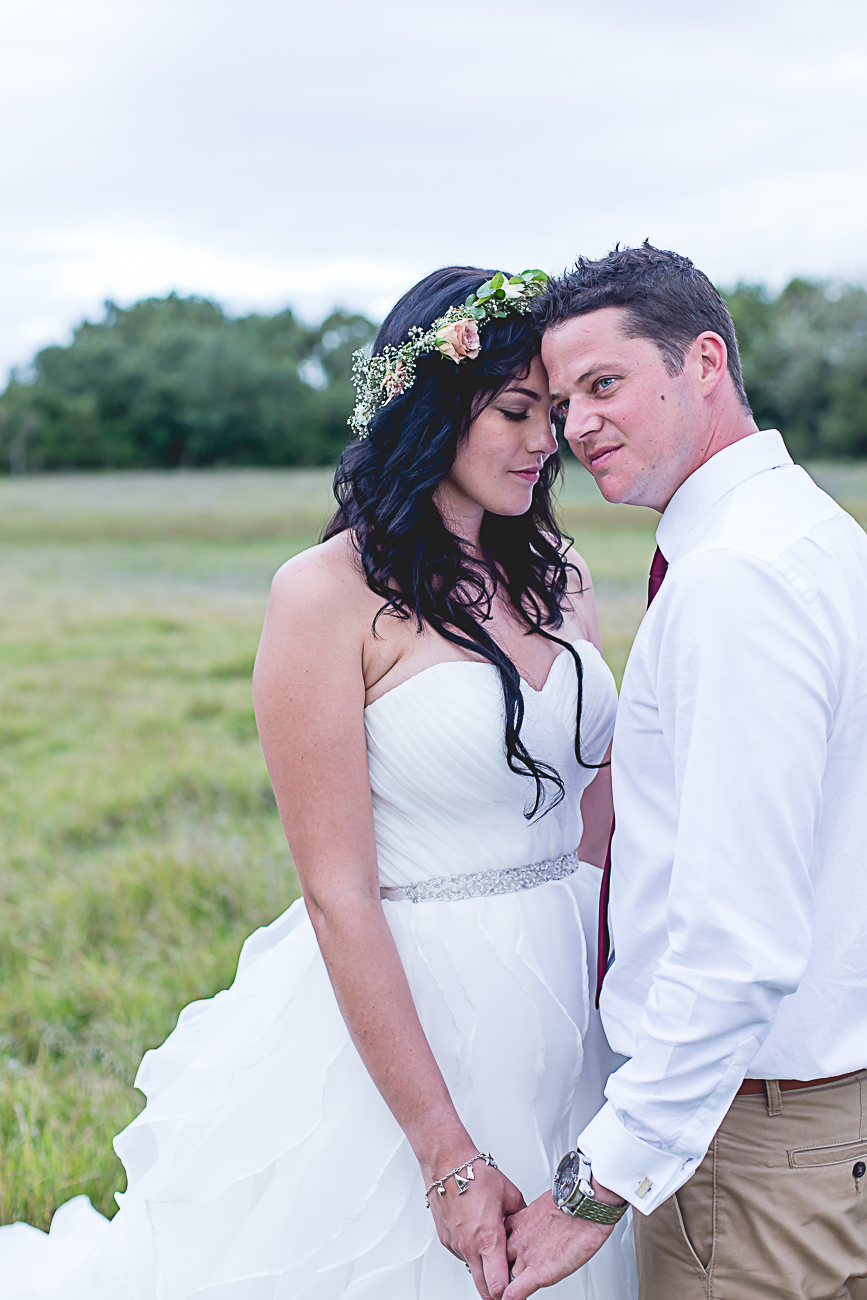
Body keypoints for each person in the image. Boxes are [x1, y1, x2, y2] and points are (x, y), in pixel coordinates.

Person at [0, 266, 636, 1300]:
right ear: (432, 409)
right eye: (517, 411)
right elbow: (336, 892)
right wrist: (446, 1153)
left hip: (574, 992)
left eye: (554, 413)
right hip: (423, 1006)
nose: (545, 442)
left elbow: (596, 826)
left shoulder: (558, 572)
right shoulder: (324, 595)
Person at [503, 243, 867, 1300]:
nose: (576, 427)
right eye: (561, 403)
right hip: (815, 1118)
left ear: (703, 361)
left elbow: (734, 939)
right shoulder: (811, 532)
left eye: (603, 384)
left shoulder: (733, 579)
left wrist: (601, 1181)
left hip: (750, 1149)